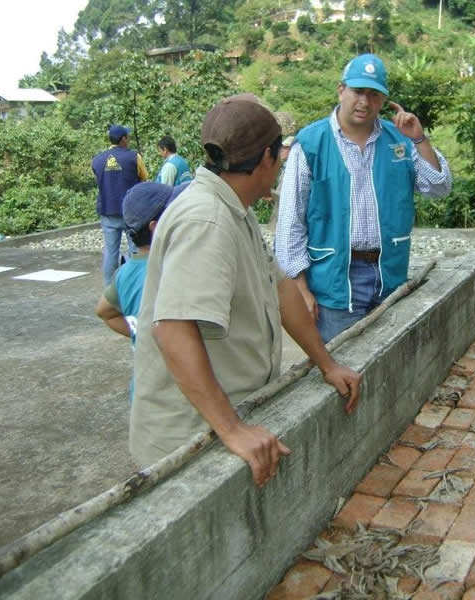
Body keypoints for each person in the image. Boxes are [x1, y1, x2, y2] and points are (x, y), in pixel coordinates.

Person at [129, 96, 361, 486]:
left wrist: (327, 363)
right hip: (191, 433)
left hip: (230, 413)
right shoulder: (207, 220)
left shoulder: (236, 207)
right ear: (267, 157)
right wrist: (233, 429)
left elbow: (282, 289)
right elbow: (173, 329)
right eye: (280, 155)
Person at [275, 53, 453, 343]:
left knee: (391, 358)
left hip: (390, 272)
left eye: (374, 94)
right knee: (341, 361)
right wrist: (301, 288)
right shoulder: (310, 143)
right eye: (358, 91)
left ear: (383, 100)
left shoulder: (399, 139)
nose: (365, 102)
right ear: (341, 90)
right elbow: (290, 221)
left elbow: (439, 187)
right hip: (334, 280)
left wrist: (419, 139)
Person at [95, 181, 188, 403]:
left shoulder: (125, 273)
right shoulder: (172, 271)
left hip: (144, 394)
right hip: (178, 398)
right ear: (156, 227)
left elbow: (105, 312)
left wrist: (141, 334)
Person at [92, 124, 149, 286]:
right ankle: (133, 285)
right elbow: (144, 178)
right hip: (131, 212)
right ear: (123, 139)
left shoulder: (97, 160)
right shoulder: (134, 157)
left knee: (111, 252)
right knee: (135, 250)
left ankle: (109, 287)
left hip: (107, 212)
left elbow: (99, 180)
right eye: (127, 137)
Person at [268, 134, 294, 237]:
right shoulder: (285, 168)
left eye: (286, 147)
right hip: (279, 222)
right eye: (282, 147)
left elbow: (288, 198)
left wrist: (268, 192)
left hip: (284, 224)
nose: (282, 150)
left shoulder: (292, 170)